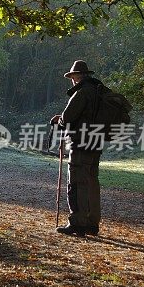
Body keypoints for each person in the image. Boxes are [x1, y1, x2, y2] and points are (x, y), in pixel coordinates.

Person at [50, 60, 104, 236]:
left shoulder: (81, 92)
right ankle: (92, 223)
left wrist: (59, 120)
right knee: (91, 182)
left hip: (81, 143)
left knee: (77, 182)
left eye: (73, 77)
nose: (72, 80)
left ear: (76, 77)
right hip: (96, 142)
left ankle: (77, 223)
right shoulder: (98, 91)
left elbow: (68, 116)